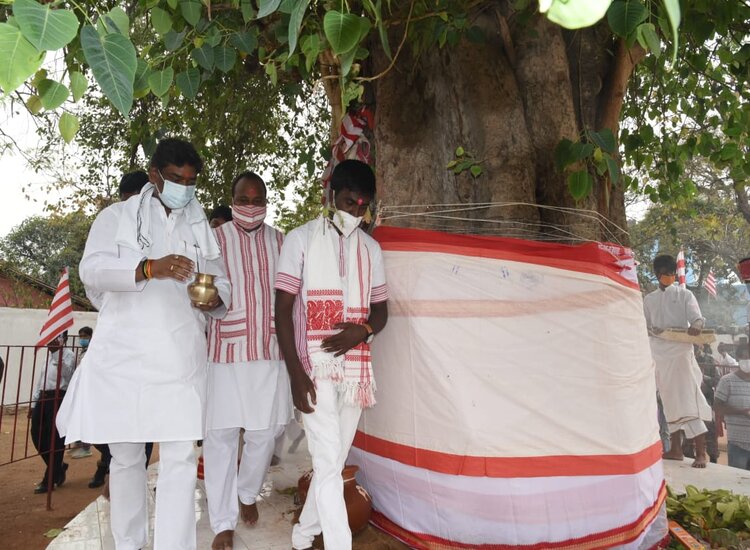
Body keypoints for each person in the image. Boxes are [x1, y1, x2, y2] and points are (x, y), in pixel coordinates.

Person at [57, 138, 231, 550]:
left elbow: (221, 286)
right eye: (175, 179)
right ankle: (130, 544)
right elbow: (93, 271)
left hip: (179, 360)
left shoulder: (199, 227)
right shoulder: (116, 217)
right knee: (128, 459)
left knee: (180, 461)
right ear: (154, 174)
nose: (183, 188)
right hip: (125, 359)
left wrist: (213, 298)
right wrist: (150, 268)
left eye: (191, 182)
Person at [275, 159, 389, 550]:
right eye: (347, 202)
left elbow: (382, 311)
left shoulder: (371, 250)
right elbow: (282, 311)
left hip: (356, 372)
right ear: (330, 196)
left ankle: (303, 533)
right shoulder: (300, 239)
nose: (355, 212)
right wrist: (296, 374)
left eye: (362, 206)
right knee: (327, 464)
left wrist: (364, 330)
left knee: (331, 464)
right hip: (314, 367)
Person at [203, 172, 293, 550]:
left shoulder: (281, 241)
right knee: (221, 437)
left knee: (264, 432)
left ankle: (247, 491)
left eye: (258, 200)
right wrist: (210, 302)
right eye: (244, 199)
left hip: (269, 352)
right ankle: (222, 522)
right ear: (233, 199)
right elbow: (207, 287)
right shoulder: (215, 240)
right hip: (226, 352)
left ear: (267, 201)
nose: (251, 207)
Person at [643, 254, 712, 468]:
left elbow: (697, 318)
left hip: (681, 353)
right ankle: (675, 449)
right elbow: (644, 325)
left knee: (687, 399)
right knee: (668, 401)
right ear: (657, 275)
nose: (670, 277)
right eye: (665, 274)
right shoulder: (649, 299)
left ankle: (701, 453)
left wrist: (697, 326)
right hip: (659, 355)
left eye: (672, 274)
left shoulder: (685, 295)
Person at [30, 331, 76, 493]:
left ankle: (49, 479)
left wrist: (57, 354)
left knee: (55, 440)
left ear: (63, 338)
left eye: (56, 335)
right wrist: (34, 401)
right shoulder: (47, 356)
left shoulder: (68, 355)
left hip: (59, 398)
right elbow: (41, 380)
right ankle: (58, 466)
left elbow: (66, 375)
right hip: (43, 398)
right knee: (36, 434)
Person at [682, 345, 721, 463]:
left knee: (710, 432)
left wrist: (704, 379)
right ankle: (689, 456)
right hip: (689, 400)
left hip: (706, 401)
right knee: (688, 432)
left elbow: (717, 380)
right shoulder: (684, 359)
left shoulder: (709, 360)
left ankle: (713, 459)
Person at [713, 355, 750, 470]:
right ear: (739, 360)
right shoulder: (727, 380)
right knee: (737, 480)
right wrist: (741, 412)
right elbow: (717, 407)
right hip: (738, 443)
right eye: (745, 357)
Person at [69, 327, 94, 459]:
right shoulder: (83, 352)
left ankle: (86, 447)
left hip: (87, 389)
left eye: (85, 336)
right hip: (79, 388)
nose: (82, 339)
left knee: (85, 417)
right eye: (81, 337)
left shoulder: (92, 352)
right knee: (77, 416)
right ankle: (79, 444)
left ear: (91, 337)